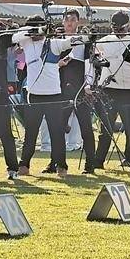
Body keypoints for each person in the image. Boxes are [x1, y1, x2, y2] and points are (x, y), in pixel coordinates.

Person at [13, 15, 84, 178]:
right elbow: (14, 37)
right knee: (30, 133)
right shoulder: (26, 41)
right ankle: (24, 165)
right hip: (34, 96)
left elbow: (71, 42)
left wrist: (86, 37)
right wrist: (33, 30)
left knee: (57, 132)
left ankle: (61, 166)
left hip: (53, 96)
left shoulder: (53, 43)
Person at [91, 11, 130, 173]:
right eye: (115, 28)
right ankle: (98, 161)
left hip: (129, 91)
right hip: (108, 90)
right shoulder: (104, 41)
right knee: (105, 129)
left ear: (127, 26)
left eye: (121, 28)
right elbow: (92, 57)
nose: (118, 31)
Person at [43, 10, 97, 174]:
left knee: (85, 127)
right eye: (66, 20)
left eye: (73, 20)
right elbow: (47, 65)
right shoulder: (56, 41)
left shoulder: (84, 40)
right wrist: (58, 64)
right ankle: (55, 163)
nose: (69, 23)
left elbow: (90, 65)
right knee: (57, 128)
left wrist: (88, 85)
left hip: (80, 89)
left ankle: (90, 165)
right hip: (59, 89)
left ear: (78, 22)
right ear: (62, 22)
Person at [0, 18, 19, 179]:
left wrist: (5, 22)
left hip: (0, 94)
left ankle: (13, 168)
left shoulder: (2, 39)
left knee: (5, 132)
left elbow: (16, 33)